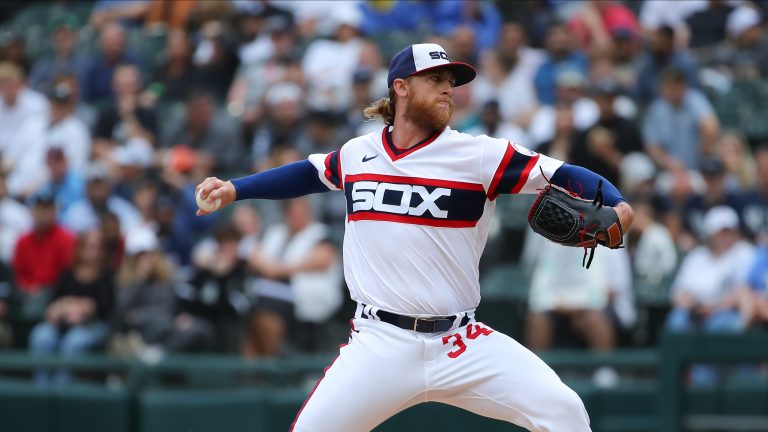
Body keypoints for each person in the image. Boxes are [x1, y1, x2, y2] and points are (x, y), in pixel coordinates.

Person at [195, 43, 633, 432]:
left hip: (461, 342)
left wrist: (618, 204)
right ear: (400, 87)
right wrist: (236, 189)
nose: (448, 89)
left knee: (564, 412)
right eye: (435, 80)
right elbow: (308, 172)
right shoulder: (358, 153)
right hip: (381, 343)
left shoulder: (478, 155)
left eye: (451, 82)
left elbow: (567, 174)